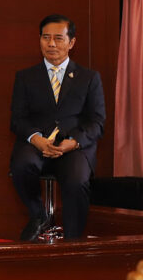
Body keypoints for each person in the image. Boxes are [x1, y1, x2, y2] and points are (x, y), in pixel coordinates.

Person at [10, 14, 105, 241]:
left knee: (77, 181)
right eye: (46, 38)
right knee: (21, 165)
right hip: (37, 144)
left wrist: (73, 142)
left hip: (74, 146)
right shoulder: (25, 77)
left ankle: (73, 242)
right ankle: (38, 216)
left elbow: (97, 121)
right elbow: (17, 119)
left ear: (71, 42)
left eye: (58, 38)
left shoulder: (89, 78)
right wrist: (36, 139)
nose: (51, 44)